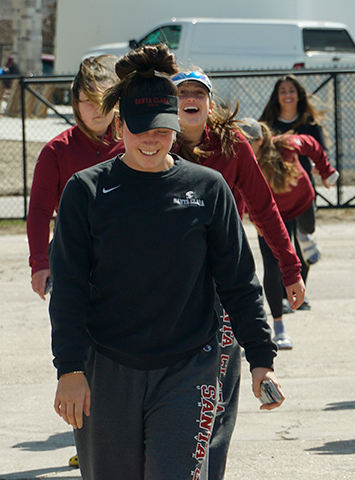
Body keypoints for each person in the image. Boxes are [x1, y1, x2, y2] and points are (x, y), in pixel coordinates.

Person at [49, 44, 283, 480]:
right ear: (119, 126)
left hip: (189, 366)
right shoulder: (86, 191)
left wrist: (260, 358)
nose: (151, 140)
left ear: (176, 125)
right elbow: (68, 288)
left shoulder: (208, 188)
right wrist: (71, 368)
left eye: (162, 128)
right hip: (108, 368)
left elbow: (238, 281)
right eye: (140, 129)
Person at [170, 70, 303, 480]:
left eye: (199, 93)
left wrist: (290, 265)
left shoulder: (232, 144)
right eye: (181, 92)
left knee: (220, 385)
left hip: (222, 279)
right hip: (168, 282)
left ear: (211, 104)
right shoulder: (155, 141)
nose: (190, 98)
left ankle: (209, 470)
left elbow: (264, 207)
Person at [27, 56, 122, 301]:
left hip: (124, 261)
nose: (98, 109)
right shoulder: (56, 151)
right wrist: (39, 262)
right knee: (73, 337)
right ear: (76, 104)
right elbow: (39, 211)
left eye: (104, 100)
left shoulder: (134, 145)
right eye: (89, 101)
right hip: (71, 260)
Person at [239, 117, 338, 350]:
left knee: (307, 231)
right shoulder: (242, 162)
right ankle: (279, 328)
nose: (240, 147)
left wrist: (326, 170)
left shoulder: (284, 144)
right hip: (271, 217)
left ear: (260, 141)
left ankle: (305, 238)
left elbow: (312, 144)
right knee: (271, 268)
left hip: (302, 202)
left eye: (245, 142)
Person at [260, 75, 331, 280]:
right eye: (283, 91)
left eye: (291, 90)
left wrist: (323, 170)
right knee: (282, 242)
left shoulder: (309, 123)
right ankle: (283, 295)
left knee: (304, 239)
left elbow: (320, 153)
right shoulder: (268, 124)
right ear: (277, 97)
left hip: (303, 190)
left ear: (298, 95)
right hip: (276, 191)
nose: (287, 95)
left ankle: (300, 292)